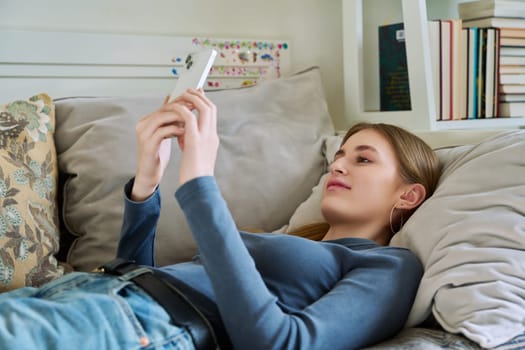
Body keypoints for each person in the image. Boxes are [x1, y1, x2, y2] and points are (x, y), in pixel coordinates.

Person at [0, 89, 441, 350]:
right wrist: (148, 183)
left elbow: (283, 343)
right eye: (340, 155)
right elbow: (146, 276)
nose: (339, 166)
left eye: (363, 159)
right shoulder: (291, 238)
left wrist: (198, 181)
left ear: (409, 194)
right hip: (79, 294)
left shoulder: (389, 267)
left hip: (138, 326)